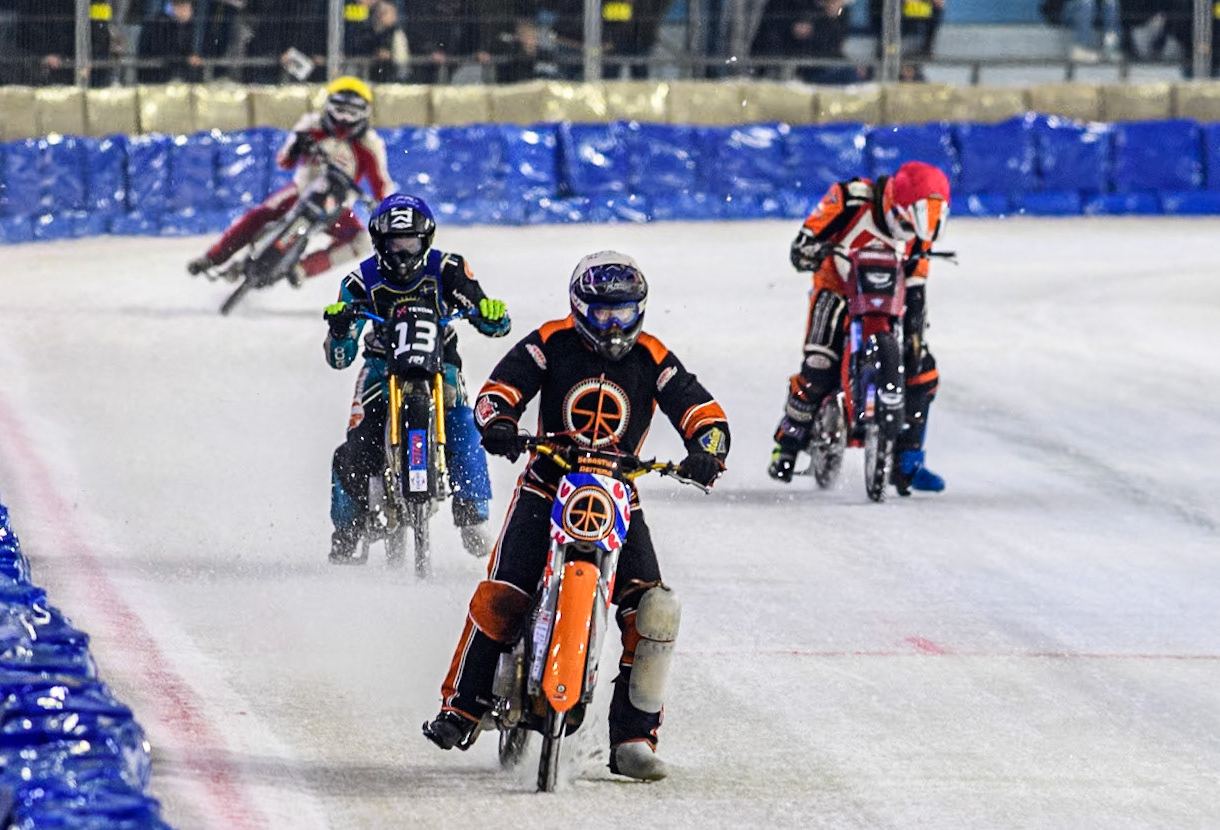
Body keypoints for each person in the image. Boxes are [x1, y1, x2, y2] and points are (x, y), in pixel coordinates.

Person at [422, 251, 730, 781]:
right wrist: (498, 422)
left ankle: (634, 737)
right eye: (603, 314)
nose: (614, 326)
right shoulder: (551, 343)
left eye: (625, 314)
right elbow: (498, 391)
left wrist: (708, 448)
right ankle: (461, 707)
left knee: (653, 610)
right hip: (546, 483)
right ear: (578, 307)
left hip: (617, 492)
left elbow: (704, 413)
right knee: (504, 594)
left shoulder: (654, 358)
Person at [321, 193, 512, 562]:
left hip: (442, 367)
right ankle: (345, 531)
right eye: (395, 244)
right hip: (379, 367)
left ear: (426, 241)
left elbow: (494, 322)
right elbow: (339, 358)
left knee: (464, 423)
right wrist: (341, 329)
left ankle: (473, 514)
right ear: (379, 243)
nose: (403, 254)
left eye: (411, 243)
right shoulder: (359, 281)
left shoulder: (450, 269)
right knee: (356, 445)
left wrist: (490, 312)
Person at [768, 160, 950, 495]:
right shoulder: (851, 198)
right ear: (897, 205)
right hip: (836, 287)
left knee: (920, 364)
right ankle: (789, 442)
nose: (909, 235)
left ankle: (909, 461)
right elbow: (804, 242)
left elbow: (917, 282)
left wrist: (914, 335)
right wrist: (811, 249)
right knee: (819, 365)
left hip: (889, 300)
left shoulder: (918, 235)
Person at [187, 77, 392, 284]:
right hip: (301, 192)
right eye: (339, 109)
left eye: (352, 111)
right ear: (329, 106)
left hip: (336, 207)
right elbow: (284, 161)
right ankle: (212, 258)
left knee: (361, 241)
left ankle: (303, 269)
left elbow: (381, 184)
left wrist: (385, 208)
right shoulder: (311, 125)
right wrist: (297, 146)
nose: (344, 118)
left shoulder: (370, 145)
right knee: (260, 214)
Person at [750, 0, 861, 85]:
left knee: (855, 73)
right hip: (793, 65)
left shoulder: (833, 15)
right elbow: (772, 36)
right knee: (846, 75)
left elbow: (833, 47)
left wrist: (850, 63)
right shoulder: (792, 6)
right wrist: (792, 28)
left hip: (818, 63)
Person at [136, 0, 202, 84]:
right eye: (187, 7)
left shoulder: (185, 25)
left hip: (173, 71)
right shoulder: (159, 23)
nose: (190, 12)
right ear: (176, 7)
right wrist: (186, 60)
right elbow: (161, 53)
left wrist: (191, 58)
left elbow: (186, 49)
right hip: (156, 74)